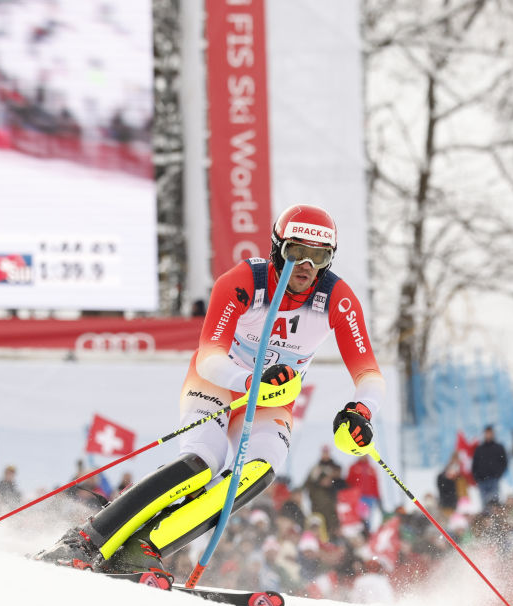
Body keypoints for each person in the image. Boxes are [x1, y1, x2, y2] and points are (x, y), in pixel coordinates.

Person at [34, 204, 386, 575]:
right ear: (276, 248)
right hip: (219, 384)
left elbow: (369, 374)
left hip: (273, 401)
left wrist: (361, 412)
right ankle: (87, 538)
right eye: (296, 252)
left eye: (319, 256)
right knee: (205, 462)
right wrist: (250, 382)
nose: (306, 266)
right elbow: (209, 356)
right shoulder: (244, 281)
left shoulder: (336, 298)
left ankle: (144, 546)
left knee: (259, 471)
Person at [305, 445, 347, 537]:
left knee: (333, 529)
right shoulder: (316, 468)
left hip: (331, 504)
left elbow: (342, 485)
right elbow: (307, 484)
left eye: (327, 452)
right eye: (324, 452)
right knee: (320, 529)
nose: (325, 454)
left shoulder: (336, 467)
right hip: (318, 504)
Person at [472, 425, 508, 507]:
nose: (488, 435)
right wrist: (477, 477)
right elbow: (475, 464)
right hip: (482, 480)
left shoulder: (499, 447)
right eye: (487, 433)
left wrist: (498, 474)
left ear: (493, 434)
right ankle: (485, 519)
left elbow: (504, 463)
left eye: (490, 433)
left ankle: (496, 519)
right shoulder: (479, 449)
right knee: (484, 503)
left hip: (494, 479)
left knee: (495, 503)